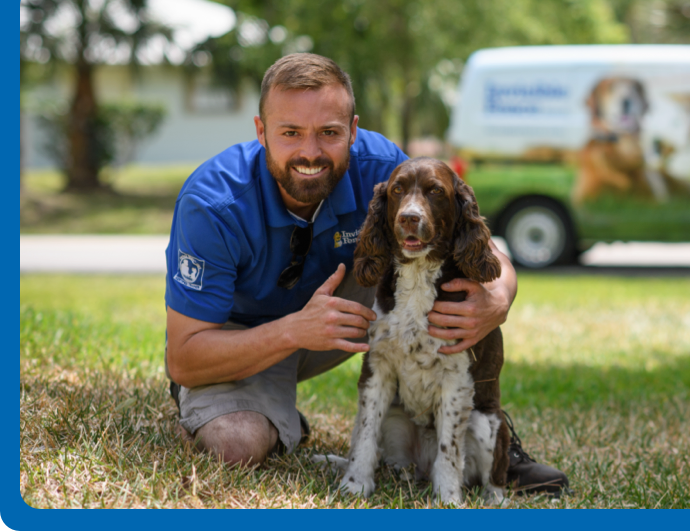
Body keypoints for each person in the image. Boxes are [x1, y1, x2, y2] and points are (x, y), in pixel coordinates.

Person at [164, 53, 568, 496]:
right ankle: (253, 413)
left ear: (353, 131)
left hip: (344, 319)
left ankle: (488, 438)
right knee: (236, 446)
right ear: (261, 132)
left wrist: (497, 299)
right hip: (244, 336)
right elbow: (183, 357)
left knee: (444, 277)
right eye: (290, 133)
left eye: (330, 133)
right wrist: (294, 329)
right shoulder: (212, 204)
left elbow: (484, 251)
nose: (310, 152)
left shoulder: (383, 168)